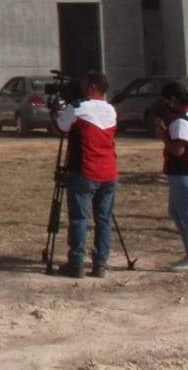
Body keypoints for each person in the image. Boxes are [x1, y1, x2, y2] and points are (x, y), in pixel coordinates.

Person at [52, 71, 118, 278]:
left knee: (79, 219)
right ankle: (100, 263)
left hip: (84, 170)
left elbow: (61, 127)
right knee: (103, 220)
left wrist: (54, 112)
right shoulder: (111, 110)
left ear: (91, 86)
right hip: (109, 171)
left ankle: (76, 263)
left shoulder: (79, 108)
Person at [157, 81, 188, 271]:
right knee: (177, 212)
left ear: (173, 100)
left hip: (185, 172)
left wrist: (163, 134)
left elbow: (178, 149)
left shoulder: (181, 120)